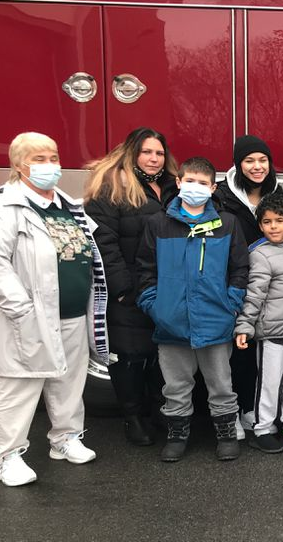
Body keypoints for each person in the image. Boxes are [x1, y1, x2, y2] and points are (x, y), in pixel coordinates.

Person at [0, 132, 109, 486]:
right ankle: (6, 458)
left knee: (68, 381)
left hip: (71, 313)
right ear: (18, 165)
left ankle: (65, 438)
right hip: (24, 317)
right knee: (18, 386)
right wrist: (21, 311)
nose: (49, 165)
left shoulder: (67, 207)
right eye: (38, 159)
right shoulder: (3, 208)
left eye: (52, 157)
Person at [136, 157, 249, 463]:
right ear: (179, 182)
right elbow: (145, 270)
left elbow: (239, 269)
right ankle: (177, 435)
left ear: (213, 188)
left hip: (215, 321)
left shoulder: (227, 224)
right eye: (190, 181)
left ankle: (226, 433)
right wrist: (155, 306)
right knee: (175, 384)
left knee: (221, 383)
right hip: (171, 323)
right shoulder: (158, 224)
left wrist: (231, 303)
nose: (195, 187)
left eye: (202, 183)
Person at [83, 127, 178, 447]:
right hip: (130, 289)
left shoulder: (170, 187)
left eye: (159, 153)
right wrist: (122, 288)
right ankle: (133, 418)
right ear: (131, 152)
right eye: (147, 152)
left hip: (164, 287)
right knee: (129, 357)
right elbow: (103, 243)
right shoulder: (112, 187)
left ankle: (156, 412)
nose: (154, 159)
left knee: (159, 354)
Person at [234, 192, 283, 455]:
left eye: (279, 221)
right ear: (260, 226)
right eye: (267, 222)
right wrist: (245, 326)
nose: (273, 227)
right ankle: (262, 428)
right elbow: (254, 294)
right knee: (268, 384)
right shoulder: (259, 254)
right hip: (272, 333)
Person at [217, 135, 282, 438]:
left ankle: (249, 409)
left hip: (266, 285)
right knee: (232, 350)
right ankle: (228, 413)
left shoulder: (278, 194)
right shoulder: (221, 197)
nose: (257, 167)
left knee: (256, 348)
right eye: (249, 161)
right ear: (238, 164)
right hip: (232, 282)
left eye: (262, 160)